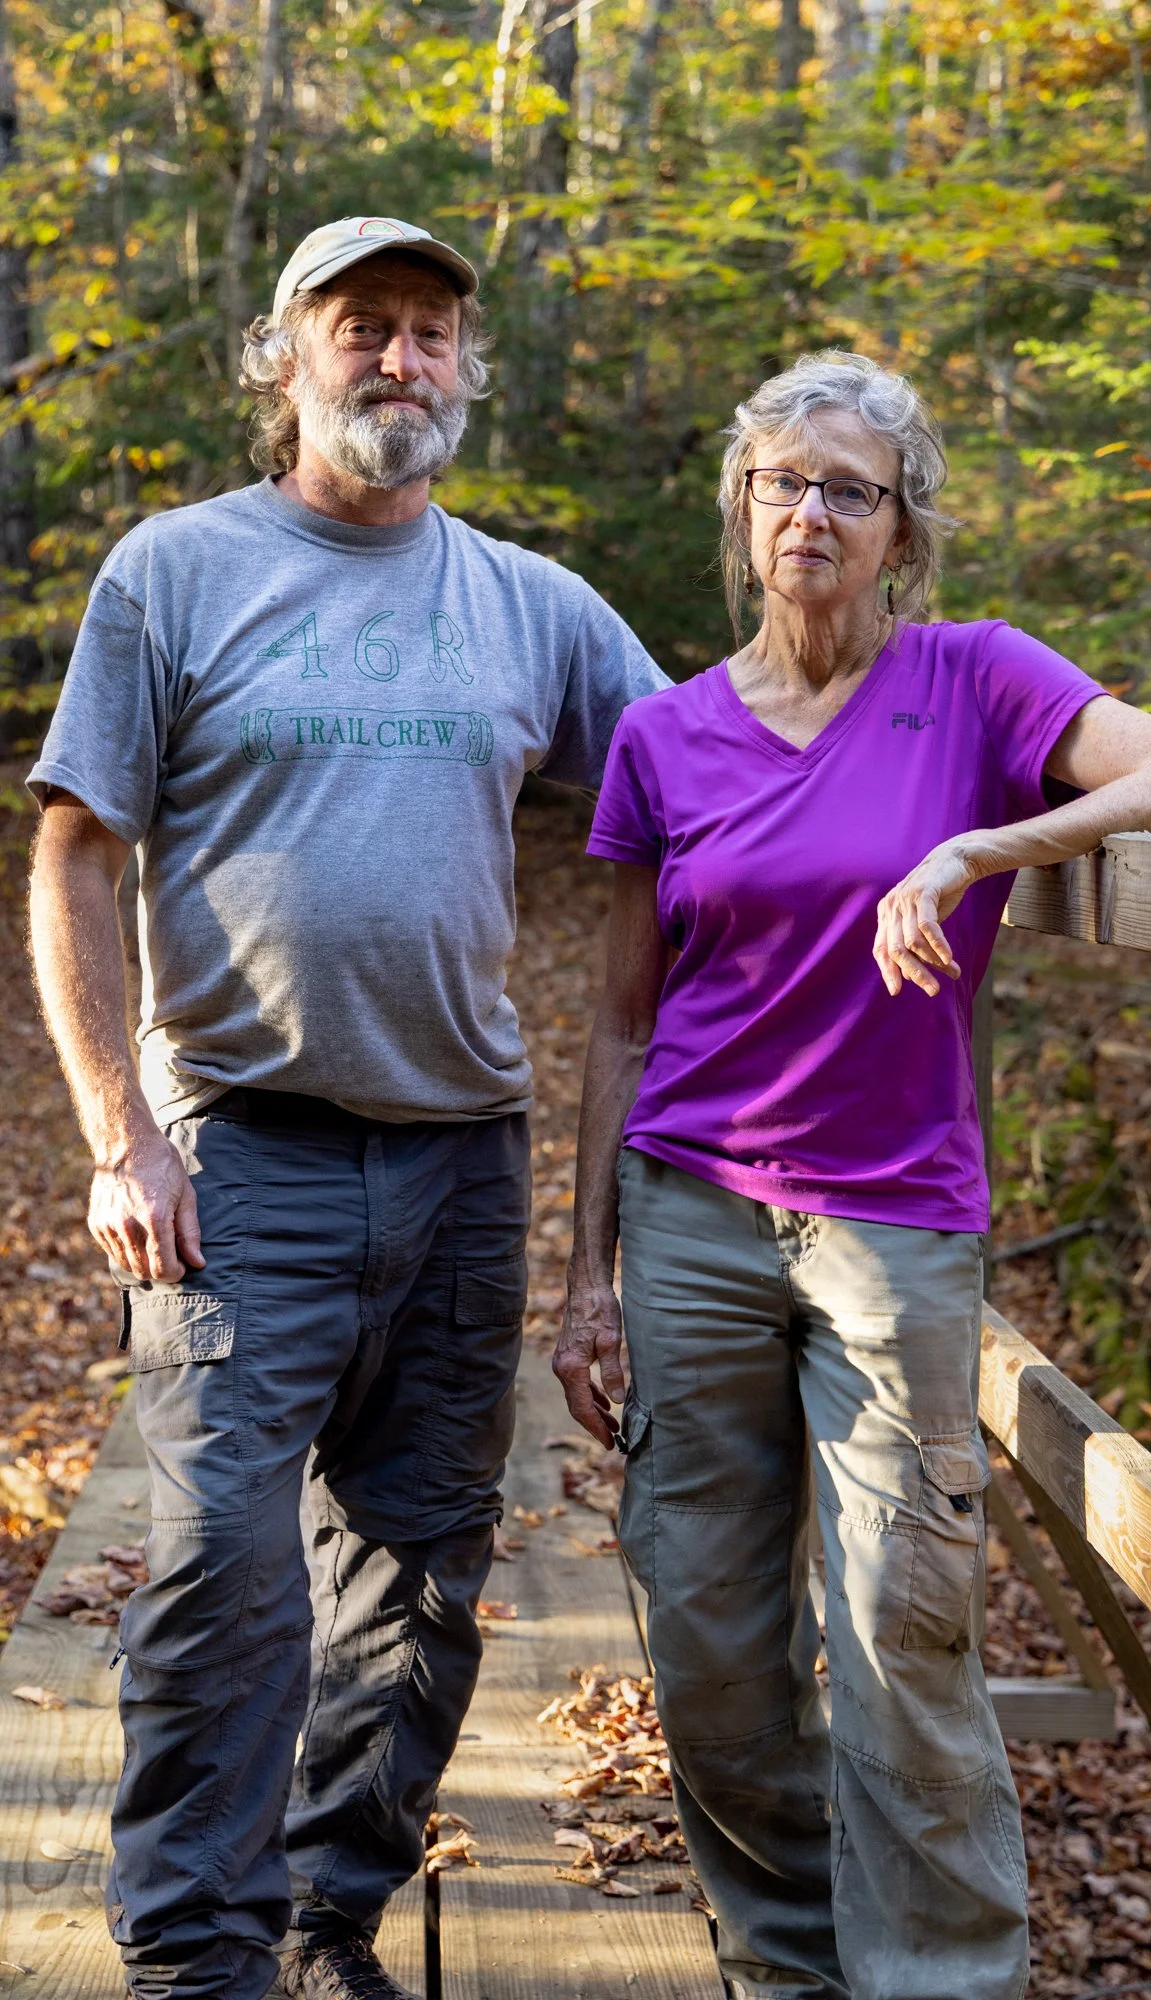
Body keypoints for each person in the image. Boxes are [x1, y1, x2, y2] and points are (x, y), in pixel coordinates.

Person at [554, 350, 1151, 2000]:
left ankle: (932, 1981)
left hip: (890, 1230)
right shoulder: (664, 735)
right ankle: (791, 1967)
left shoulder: (977, 682)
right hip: (692, 1216)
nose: (810, 511)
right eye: (782, 482)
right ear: (739, 511)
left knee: (900, 1637)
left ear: (900, 533)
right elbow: (614, 1023)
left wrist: (978, 847)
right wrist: (581, 1277)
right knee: (712, 1647)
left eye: (848, 490)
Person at [27, 215, 666, 2000]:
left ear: (468, 371)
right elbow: (74, 855)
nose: (400, 358)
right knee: (225, 1570)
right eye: (362, 326)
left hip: (463, 1158)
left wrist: (987, 772)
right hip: (241, 1157)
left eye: (430, 333)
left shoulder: (531, 604)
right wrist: (115, 1139)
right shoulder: (174, 574)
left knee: (419, 1585)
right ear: (283, 359)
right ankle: (196, 1953)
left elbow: (722, 777)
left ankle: (329, 1917)